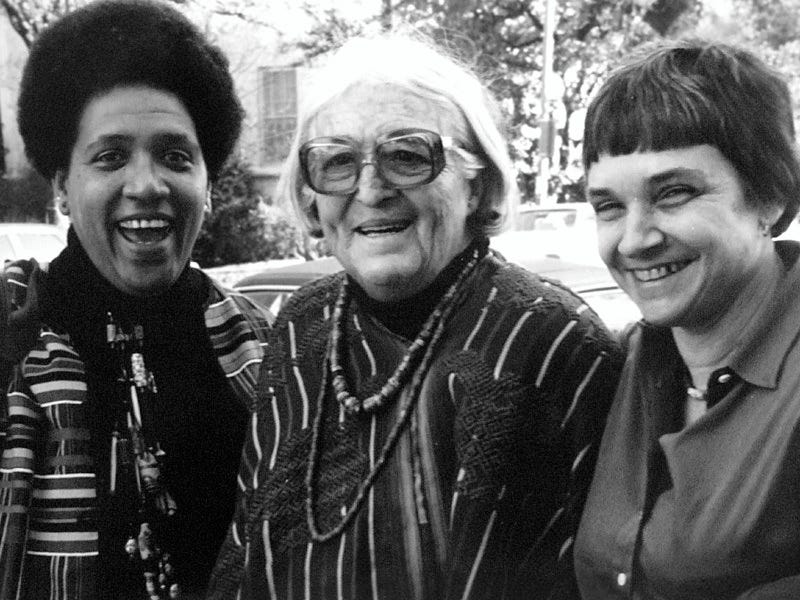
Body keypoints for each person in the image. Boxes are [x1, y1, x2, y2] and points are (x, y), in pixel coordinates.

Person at [209, 33, 623, 600]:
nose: (371, 190)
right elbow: (248, 550)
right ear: (310, 197)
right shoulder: (302, 323)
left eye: (407, 156)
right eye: (337, 162)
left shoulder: (551, 339)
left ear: (477, 184)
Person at [0, 1, 272, 598]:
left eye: (176, 156)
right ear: (62, 187)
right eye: (110, 156)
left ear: (208, 180)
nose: (147, 185)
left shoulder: (270, 352)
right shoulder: (12, 332)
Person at [574, 39, 800, 599]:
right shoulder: (624, 361)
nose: (634, 238)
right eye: (609, 206)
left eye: (673, 193)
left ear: (770, 196)